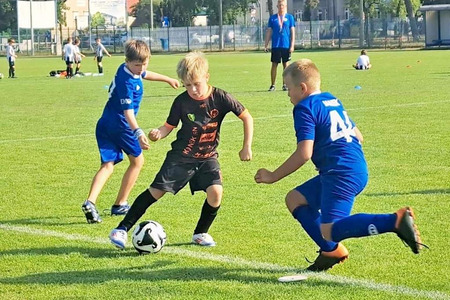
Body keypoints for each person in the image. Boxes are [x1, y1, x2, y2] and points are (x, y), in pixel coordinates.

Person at [254, 59, 426, 271]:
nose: (287, 93)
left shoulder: (303, 108)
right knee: (295, 199)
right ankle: (331, 251)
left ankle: (394, 221)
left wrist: (273, 176)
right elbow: (359, 136)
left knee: (330, 231)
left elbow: (304, 153)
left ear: (302, 88)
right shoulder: (331, 99)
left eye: (288, 88)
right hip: (353, 168)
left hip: (340, 174)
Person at [109, 51, 254, 248]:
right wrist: (158, 133)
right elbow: (169, 126)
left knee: (216, 193)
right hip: (181, 157)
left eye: (196, 84)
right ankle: (121, 229)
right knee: (156, 192)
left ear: (207, 77)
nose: (193, 89)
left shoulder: (221, 97)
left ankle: (200, 233)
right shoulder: (181, 102)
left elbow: (247, 117)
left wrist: (246, 147)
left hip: (207, 157)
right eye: (187, 85)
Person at [81, 40, 180, 224]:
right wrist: (138, 133)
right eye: (137, 65)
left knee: (108, 165)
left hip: (105, 122)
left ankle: (90, 202)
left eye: (145, 63)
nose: (141, 68)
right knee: (138, 161)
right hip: (121, 125)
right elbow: (127, 113)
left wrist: (167, 79)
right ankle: (120, 204)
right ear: (127, 61)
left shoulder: (126, 68)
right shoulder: (126, 82)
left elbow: (144, 74)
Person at [264, 0, 295, 92]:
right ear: (277, 6)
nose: (281, 6)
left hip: (286, 45)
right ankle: (272, 85)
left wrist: (292, 45)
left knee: (286, 65)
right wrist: (266, 44)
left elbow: (293, 32)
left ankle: (285, 84)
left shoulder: (290, 17)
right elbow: (269, 31)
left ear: (285, 6)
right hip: (276, 45)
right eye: (279, 5)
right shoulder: (273, 18)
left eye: (283, 5)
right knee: (274, 65)